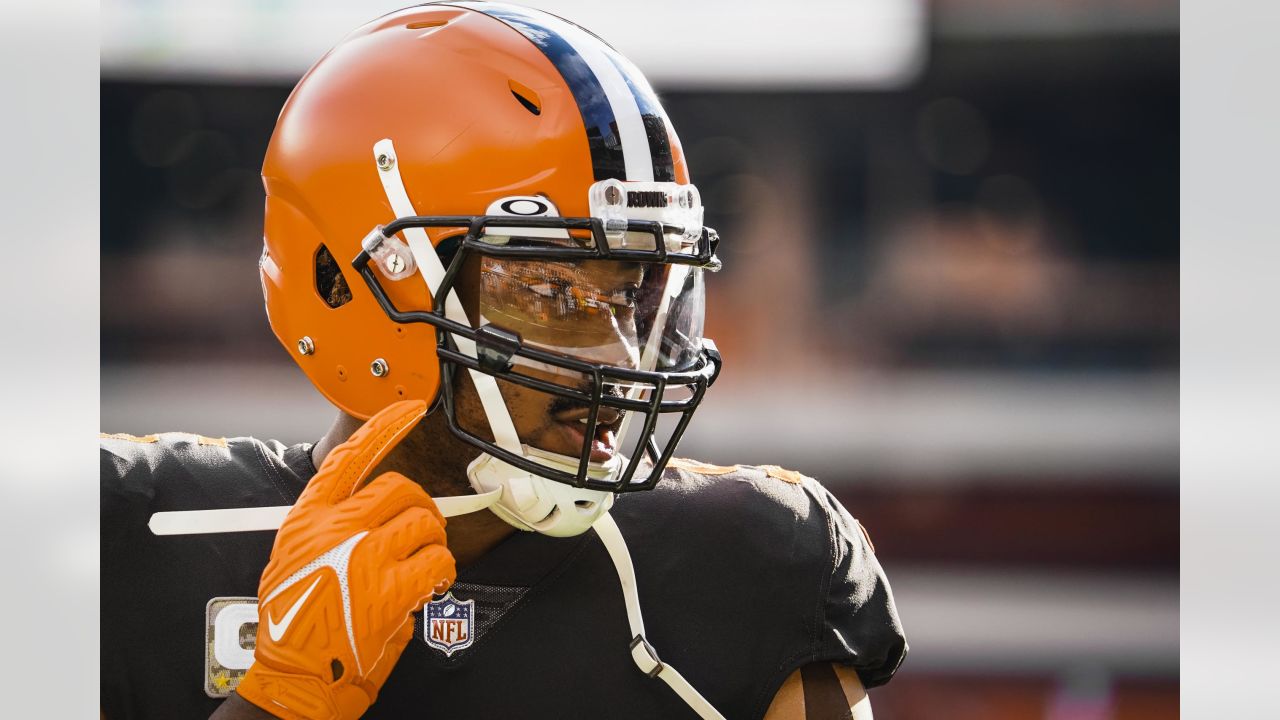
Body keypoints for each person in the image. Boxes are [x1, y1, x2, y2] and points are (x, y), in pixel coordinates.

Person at [100, 3, 907, 719]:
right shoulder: (123, 541)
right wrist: (282, 698)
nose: (622, 358)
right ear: (354, 284)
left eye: (628, 299)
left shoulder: (754, 564)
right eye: (555, 297)